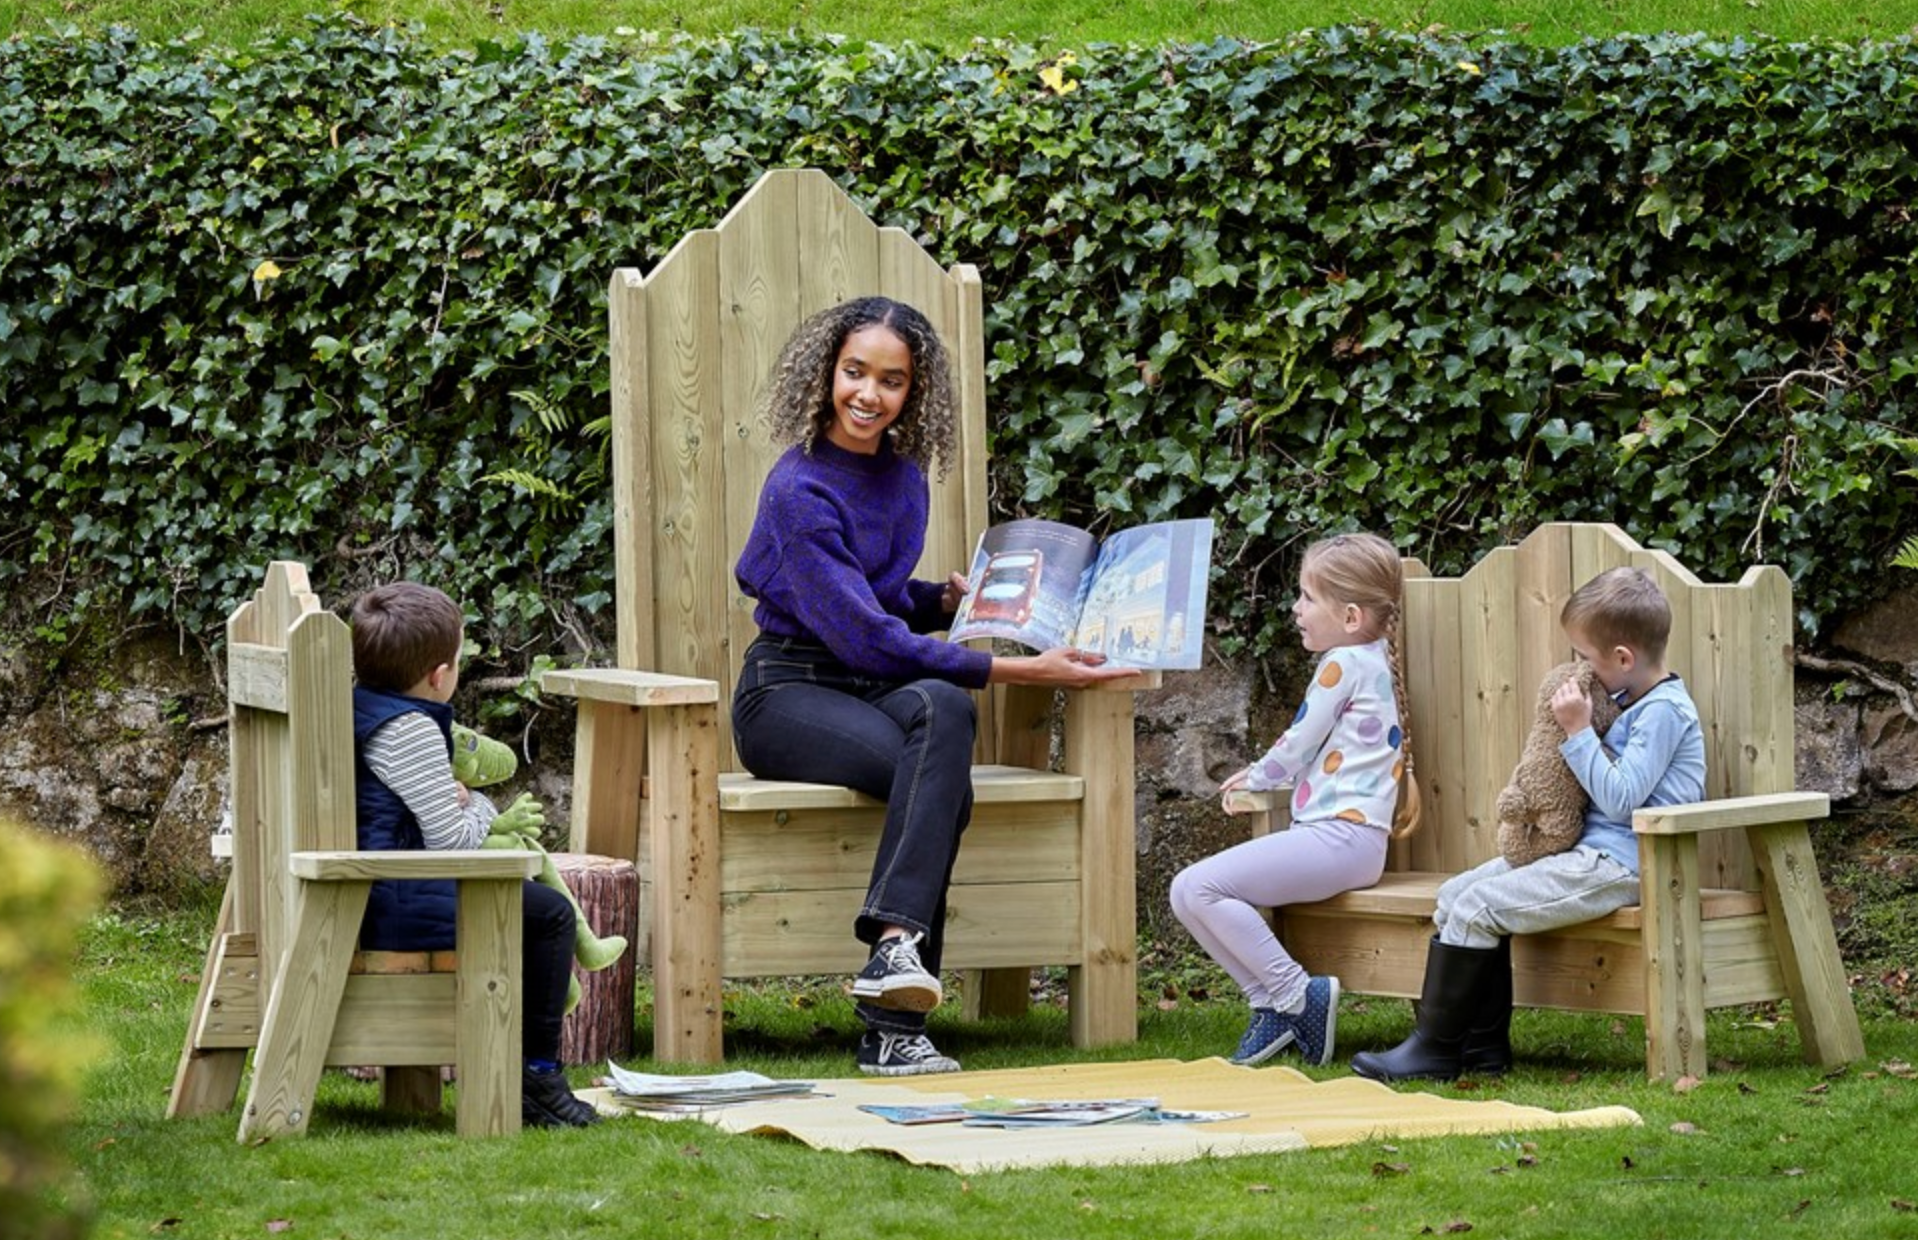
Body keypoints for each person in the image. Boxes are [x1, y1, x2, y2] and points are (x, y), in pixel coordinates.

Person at [731, 296, 1140, 1077]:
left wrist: (944, 600)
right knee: (942, 770)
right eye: (855, 372)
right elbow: (863, 635)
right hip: (787, 694)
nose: (867, 394)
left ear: (913, 394)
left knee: (944, 721)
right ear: (826, 374)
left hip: (866, 683)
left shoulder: (905, 477)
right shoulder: (797, 489)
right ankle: (894, 1028)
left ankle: (893, 956)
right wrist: (1024, 670)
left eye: (891, 381)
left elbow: (874, 594)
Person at [1351, 566, 1705, 1083]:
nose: (1578, 668)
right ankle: (1481, 1049)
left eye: (1586, 657)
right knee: (1455, 895)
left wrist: (1579, 732)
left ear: (1623, 659)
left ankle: (1434, 1050)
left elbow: (1623, 799)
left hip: (1628, 863)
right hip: (1586, 853)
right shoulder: (1628, 702)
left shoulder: (1665, 712)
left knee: (1477, 909)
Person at [349, 581, 600, 1128]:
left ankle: (530, 1072)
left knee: (536, 906)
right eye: (460, 660)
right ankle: (535, 1073)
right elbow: (452, 843)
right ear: (439, 676)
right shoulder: (410, 731)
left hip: (375, 890)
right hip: (398, 900)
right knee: (551, 915)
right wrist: (481, 806)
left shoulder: (364, 706)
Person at [1169, 532, 1421, 1068]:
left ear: (1351, 616)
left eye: (1308, 597)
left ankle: (1293, 995)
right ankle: (1275, 1006)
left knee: (1199, 888)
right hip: (1341, 839)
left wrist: (1254, 779)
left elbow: (1300, 740)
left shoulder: (1344, 663)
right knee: (1188, 892)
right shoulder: (1367, 660)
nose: (1296, 609)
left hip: (1339, 837)